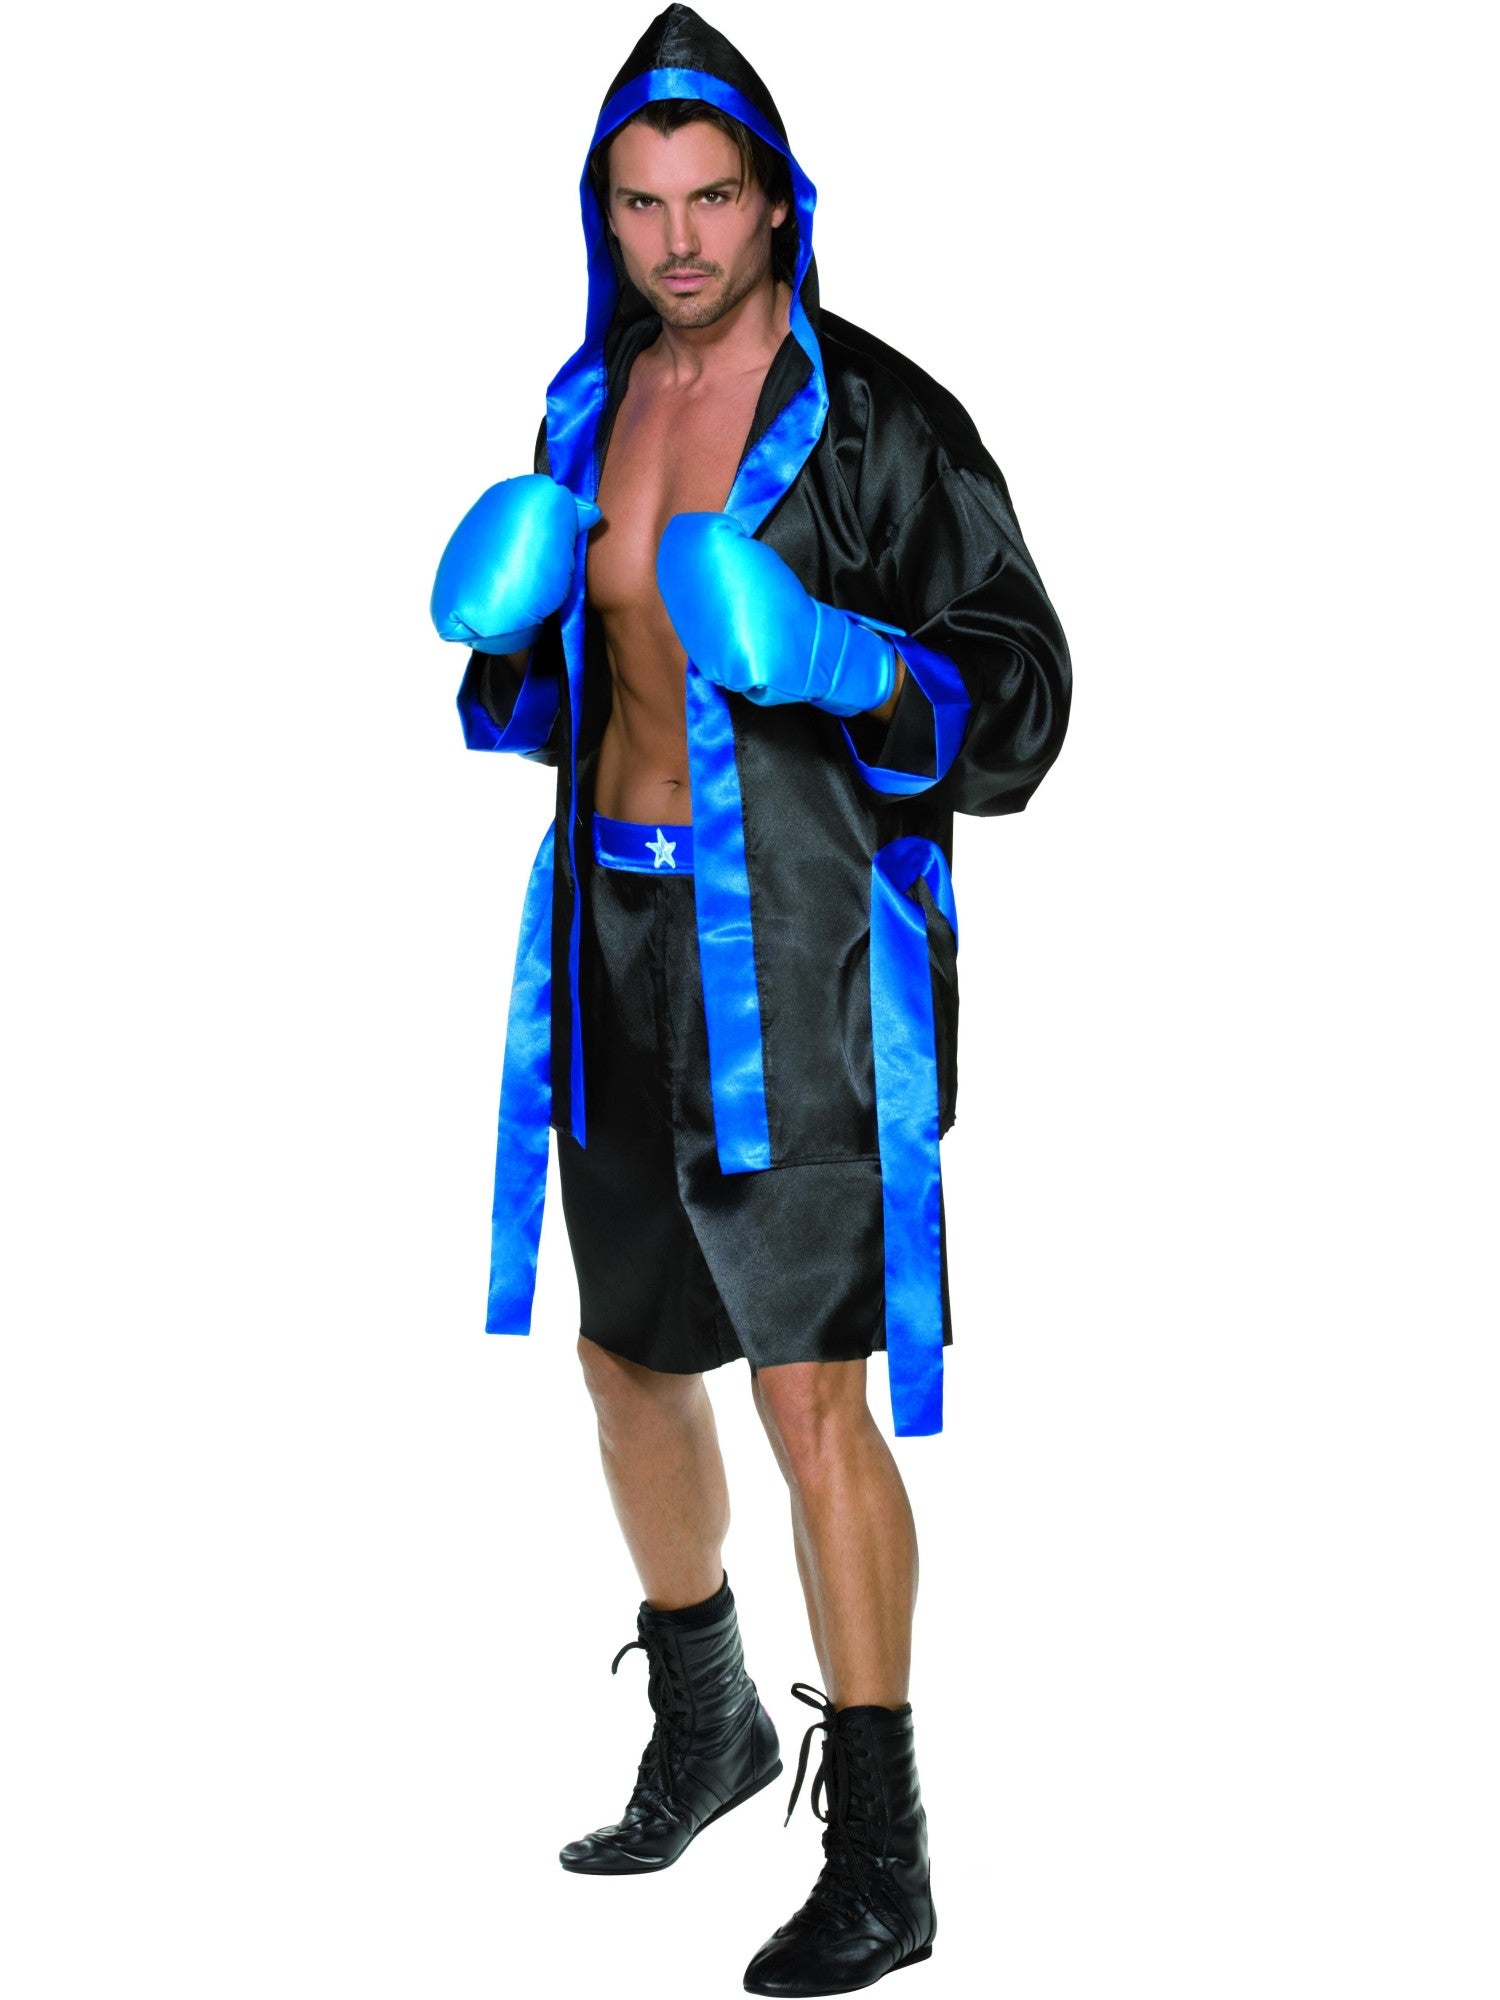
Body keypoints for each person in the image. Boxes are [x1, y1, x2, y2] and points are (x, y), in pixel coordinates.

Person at [430, 7, 1070, 1991]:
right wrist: (508, 641)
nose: (680, 242)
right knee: (628, 1360)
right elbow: (557, 702)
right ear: (602, 217)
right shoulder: (584, 405)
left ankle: (884, 1853)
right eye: (642, 207)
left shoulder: (878, 424)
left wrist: (846, 658)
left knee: (809, 1390)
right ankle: (704, 1721)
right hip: (607, 941)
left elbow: (1027, 692)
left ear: (778, 203)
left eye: (713, 200)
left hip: (797, 955)